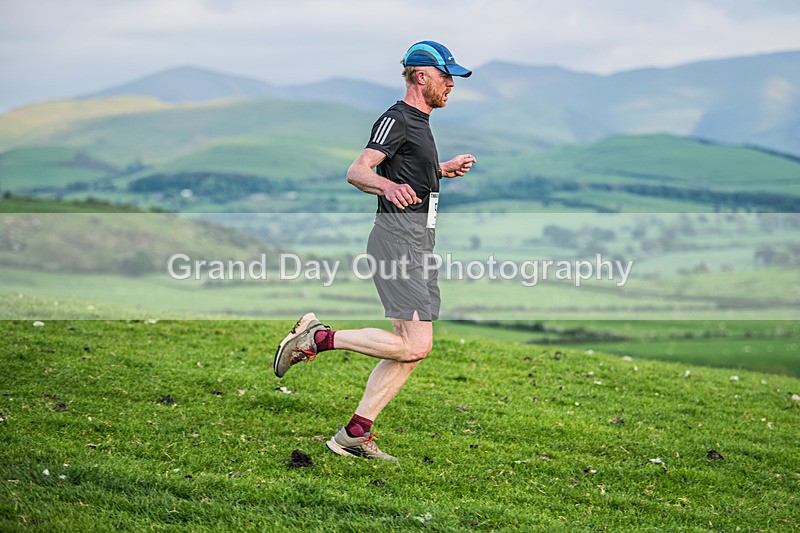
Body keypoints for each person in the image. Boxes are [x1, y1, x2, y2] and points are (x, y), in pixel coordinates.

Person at [274, 40, 476, 461]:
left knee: (411, 349)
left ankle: (354, 433)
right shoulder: (396, 118)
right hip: (397, 240)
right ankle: (318, 338)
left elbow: (406, 170)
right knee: (415, 346)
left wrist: (440, 171)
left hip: (419, 243)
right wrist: (387, 185)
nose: (451, 84)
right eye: (446, 76)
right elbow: (358, 170)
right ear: (421, 76)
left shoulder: (420, 122)